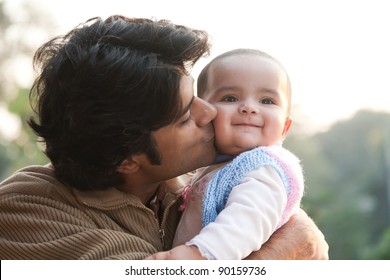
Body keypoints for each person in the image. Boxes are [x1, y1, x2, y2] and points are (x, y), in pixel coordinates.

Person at [0, 15, 328, 260]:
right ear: (126, 159)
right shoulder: (25, 211)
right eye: (187, 116)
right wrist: (292, 246)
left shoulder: (182, 184)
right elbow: (304, 243)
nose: (211, 112)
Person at [147, 48, 305, 260]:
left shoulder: (264, 168)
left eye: (267, 101)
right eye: (230, 98)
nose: (249, 108)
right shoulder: (216, 165)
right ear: (205, 112)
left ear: (285, 128)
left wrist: (198, 255)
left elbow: (248, 219)